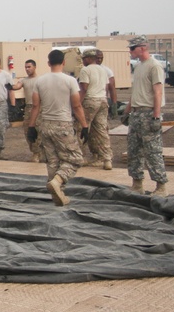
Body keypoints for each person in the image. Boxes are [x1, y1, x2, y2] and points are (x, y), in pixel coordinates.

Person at [27, 49, 89, 206]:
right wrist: (85, 125)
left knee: (53, 160)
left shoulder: (40, 81)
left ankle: (57, 194)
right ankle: (58, 181)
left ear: (48, 63)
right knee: (75, 159)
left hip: (45, 124)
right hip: (63, 124)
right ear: (64, 63)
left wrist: (32, 126)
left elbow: (35, 106)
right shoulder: (69, 81)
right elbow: (76, 106)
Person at [124, 35, 169, 197]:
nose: (130, 51)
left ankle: (161, 186)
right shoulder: (138, 67)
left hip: (149, 112)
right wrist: (128, 110)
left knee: (152, 151)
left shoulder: (154, 66)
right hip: (137, 113)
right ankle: (137, 184)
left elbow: (158, 92)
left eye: (132, 48)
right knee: (134, 150)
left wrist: (156, 117)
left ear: (143, 47)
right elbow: (136, 91)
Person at [78, 49, 113, 170]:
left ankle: (80, 157)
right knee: (101, 131)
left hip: (90, 101)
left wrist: (77, 105)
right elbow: (107, 87)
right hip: (102, 100)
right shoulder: (103, 70)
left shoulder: (85, 70)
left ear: (88, 58)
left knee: (81, 128)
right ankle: (107, 159)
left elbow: (84, 89)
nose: (82, 61)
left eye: (83, 59)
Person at [15, 59, 43, 162]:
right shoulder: (24, 80)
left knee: (39, 130)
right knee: (28, 130)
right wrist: (10, 87)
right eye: (26, 67)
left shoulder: (41, 79)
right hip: (29, 108)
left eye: (29, 67)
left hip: (40, 107)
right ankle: (35, 152)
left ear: (35, 67)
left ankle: (39, 153)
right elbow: (17, 86)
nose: (27, 69)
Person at [95, 49, 119, 117]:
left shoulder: (107, 71)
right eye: (97, 58)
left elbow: (112, 89)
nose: (99, 60)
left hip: (103, 100)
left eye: (101, 58)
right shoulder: (86, 69)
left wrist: (114, 106)